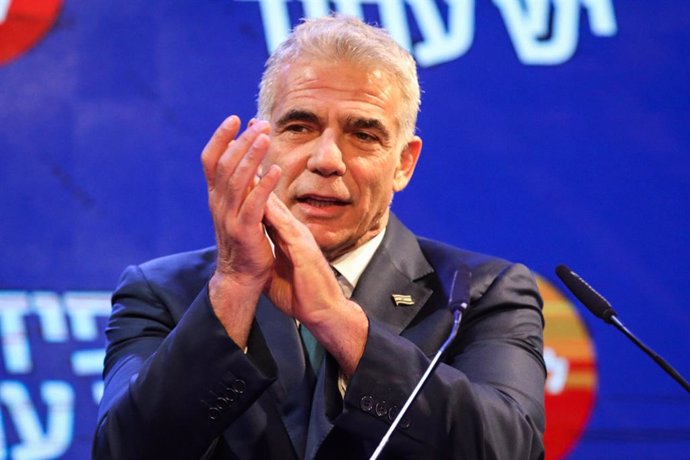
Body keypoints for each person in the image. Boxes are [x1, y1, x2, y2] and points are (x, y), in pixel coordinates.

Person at [93, 15, 545, 460]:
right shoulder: (164, 293)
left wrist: (337, 320)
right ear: (262, 141)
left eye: (363, 134)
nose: (327, 159)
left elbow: (509, 450)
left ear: (403, 163)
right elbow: (122, 452)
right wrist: (234, 287)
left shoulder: (481, 293)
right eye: (300, 127)